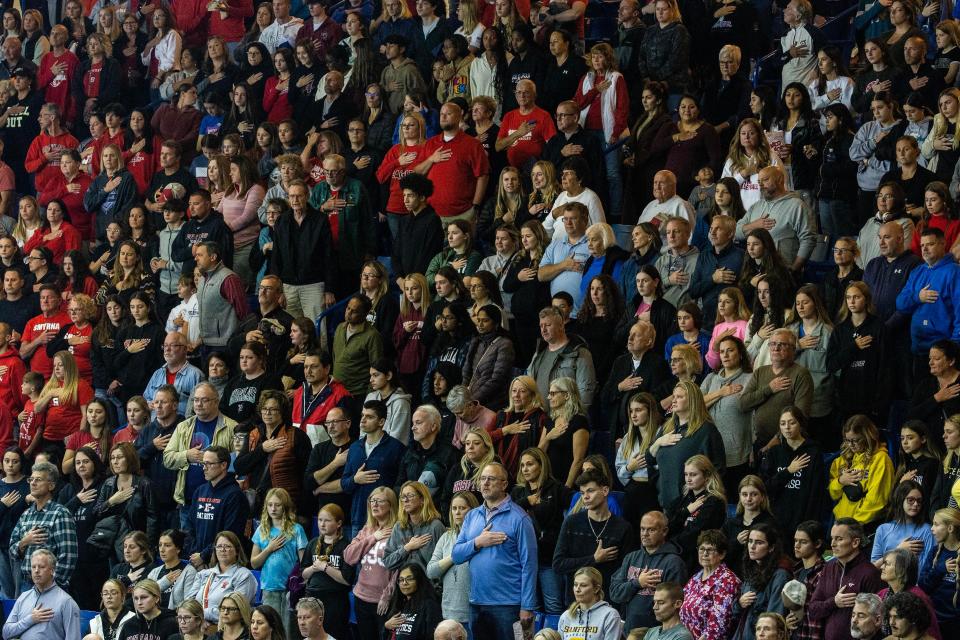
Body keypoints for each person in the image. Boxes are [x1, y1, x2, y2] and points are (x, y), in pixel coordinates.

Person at [452, 461, 537, 640]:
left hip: (509, 605)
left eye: (491, 479)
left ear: (504, 484)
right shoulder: (472, 515)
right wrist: (478, 542)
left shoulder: (519, 518)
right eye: (482, 479)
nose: (485, 483)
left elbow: (529, 565)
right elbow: (457, 555)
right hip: (477, 603)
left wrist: (527, 606)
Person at [162, 382, 237, 534]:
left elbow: (238, 462)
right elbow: (167, 459)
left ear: (216, 401)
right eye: (196, 400)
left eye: (204, 400)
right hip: (188, 501)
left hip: (219, 500)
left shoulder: (231, 427)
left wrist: (214, 461)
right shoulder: (183, 427)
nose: (198, 404)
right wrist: (186, 456)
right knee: (189, 546)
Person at [647, 380, 726, 508]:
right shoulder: (665, 428)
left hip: (693, 506)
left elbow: (717, 470)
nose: (674, 400)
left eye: (679, 397)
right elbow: (649, 460)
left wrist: (699, 497)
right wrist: (657, 443)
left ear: (692, 400)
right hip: (665, 503)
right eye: (673, 397)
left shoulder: (706, 430)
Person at [609, 511, 687, 631]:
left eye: (651, 530)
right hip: (629, 631)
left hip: (657, 632)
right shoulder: (631, 558)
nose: (644, 534)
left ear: (664, 531)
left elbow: (675, 605)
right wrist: (637, 583)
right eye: (642, 529)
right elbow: (615, 593)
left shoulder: (674, 562)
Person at [414, 101, 490, 222]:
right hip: (432, 213)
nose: (443, 117)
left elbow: (483, 176)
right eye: (441, 114)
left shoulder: (472, 144)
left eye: (448, 114)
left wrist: (475, 206)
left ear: (459, 116)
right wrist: (431, 159)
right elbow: (417, 172)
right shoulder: (430, 143)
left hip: (463, 214)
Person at [808, 518, 883, 638]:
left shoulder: (870, 573)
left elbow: (878, 620)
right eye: (832, 538)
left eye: (839, 539)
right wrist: (834, 602)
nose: (832, 544)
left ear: (855, 542)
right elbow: (813, 610)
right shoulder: (829, 567)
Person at [9, 460, 77, 590]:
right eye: (31, 479)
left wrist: (53, 585)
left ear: (51, 486)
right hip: (26, 583)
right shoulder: (26, 514)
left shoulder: (60, 513)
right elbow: (12, 550)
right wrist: (24, 542)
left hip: (52, 585)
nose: (33, 483)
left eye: (38, 479)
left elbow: (68, 555)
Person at [185, 446, 249, 562]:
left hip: (222, 561)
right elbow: (189, 526)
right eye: (203, 464)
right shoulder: (200, 491)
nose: (204, 468)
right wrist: (195, 553)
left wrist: (204, 555)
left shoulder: (235, 495)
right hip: (196, 559)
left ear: (224, 465)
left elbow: (230, 534)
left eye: (209, 464)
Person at [1, 548, 80, 639]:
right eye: (33, 567)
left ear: (52, 571)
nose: (36, 571)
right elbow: (6, 633)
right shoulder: (23, 597)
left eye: (41, 567)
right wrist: (31, 619)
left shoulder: (67, 602)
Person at [730, 523, 790, 640]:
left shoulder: (781, 575)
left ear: (771, 547)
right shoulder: (752, 569)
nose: (752, 546)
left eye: (759, 542)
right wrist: (739, 603)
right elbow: (735, 612)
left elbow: (775, 619)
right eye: (750, 541)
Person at [678, 529, 741, 640]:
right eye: (702, 549)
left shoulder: (728, 581)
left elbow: (720, 623)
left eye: (710, 550)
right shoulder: (695, 578)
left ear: (722, 554)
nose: (705, 553)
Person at [190, 532, 256, 625]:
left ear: (237, 551)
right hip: (198, 624)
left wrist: (200, 614)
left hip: (227, 627)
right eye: (219, 546)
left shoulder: (244, 576)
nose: (223, 550)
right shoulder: (203, 574)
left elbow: (235, 611)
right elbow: (189, 603)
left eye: (227, 546)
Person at [556, 566, 623, 640]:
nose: (577, 589)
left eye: (583, 585)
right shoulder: (566, 615)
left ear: (596, 589)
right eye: (575, 585)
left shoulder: (610, 615)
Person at [384, 562, 442, 640]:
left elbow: (432, 636)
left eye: (409, 579)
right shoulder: (399, 604)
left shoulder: (429, 605)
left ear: (419, 580)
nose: (404, 583)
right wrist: (386, 626)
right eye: (401, 580)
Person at [147, 529, 197, 610]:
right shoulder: (154, 572)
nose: (162, 550)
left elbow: (189, 604)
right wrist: (164, 583)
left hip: (176, 618)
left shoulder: (189, 572)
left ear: (178, 549)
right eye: (160, 545)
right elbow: (144, 595)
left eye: (167, 545)